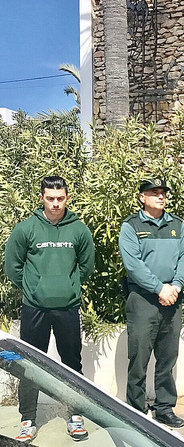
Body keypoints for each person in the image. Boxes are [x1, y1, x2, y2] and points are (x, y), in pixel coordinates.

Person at [5, 176, 95, 442]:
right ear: (42, 198)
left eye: (60, 198)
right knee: (29, 365)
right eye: (50, 198)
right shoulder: (26, 229)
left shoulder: (79, 230)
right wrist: (34, 289)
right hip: (35, 308)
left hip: (67, 307)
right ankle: (28, 420)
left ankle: (75, 416)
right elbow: (13, 266)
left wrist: (69, 286)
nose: (56, 203)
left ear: (67, 198)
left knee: (72, 364)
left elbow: (86, 266)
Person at [119, 177, 184, 428]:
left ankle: (164, 407)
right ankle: (136, 411)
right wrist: (160, 288)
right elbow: (133, 265)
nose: (160, 196)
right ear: (142, 197)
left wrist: (176, 286)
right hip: (143, 300)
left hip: (172, 298)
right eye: (154, 192)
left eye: (163, 192)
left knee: (167, 357)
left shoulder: (177, 225)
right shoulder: (131, 226)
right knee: (139, 358)